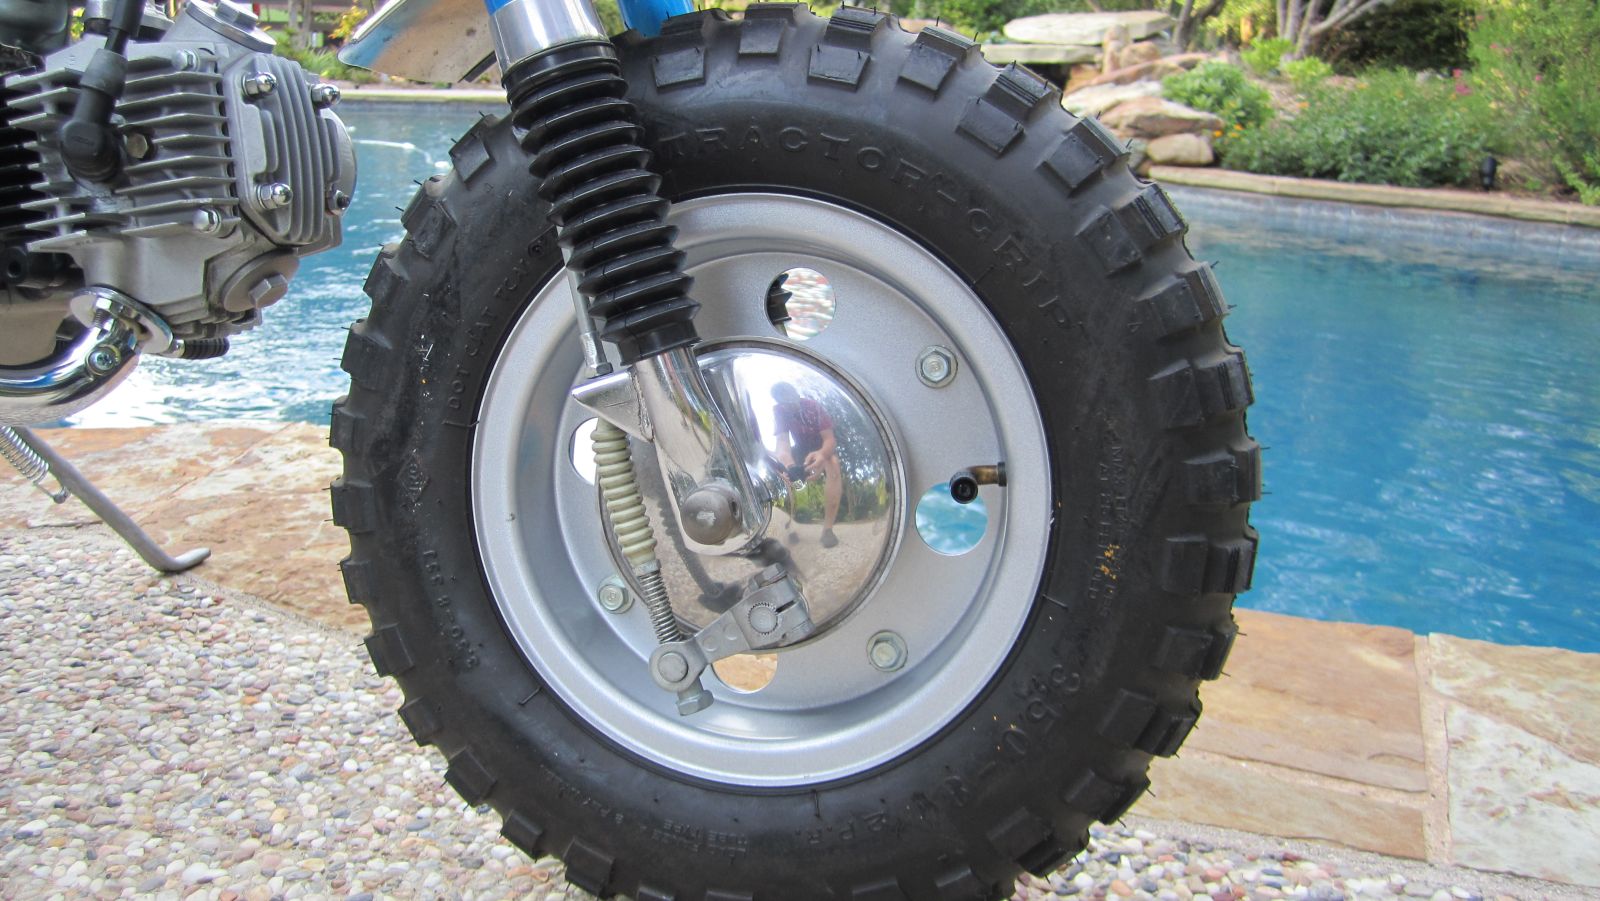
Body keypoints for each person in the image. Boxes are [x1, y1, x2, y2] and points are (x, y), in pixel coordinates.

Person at [771, 381, 841, 548]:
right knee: (783, 473)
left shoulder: (813, 406)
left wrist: (822, 454)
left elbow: (829, 439)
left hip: (821, 446)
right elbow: (782, 442)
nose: (790, 407)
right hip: (801, 447)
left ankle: (828, 530)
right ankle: (790, 526)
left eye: (792, 401)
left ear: (797, 395)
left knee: (834, 464)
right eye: (785, 403)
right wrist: (789, 466)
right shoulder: (779, 410)